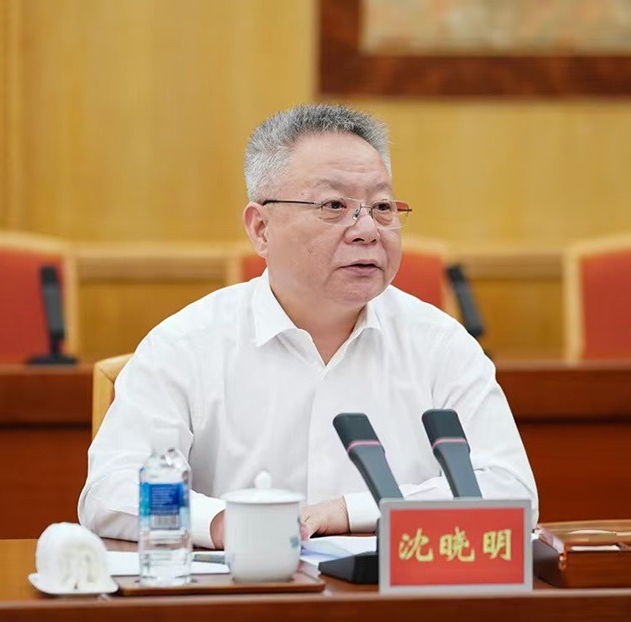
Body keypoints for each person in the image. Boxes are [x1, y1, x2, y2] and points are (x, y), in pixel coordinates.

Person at [78, 104, 538, 549]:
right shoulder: (185, 345)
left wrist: (350, 511)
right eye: (335, 205)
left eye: (382, 207)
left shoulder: (441, 345)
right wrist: (223, 524)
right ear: (261, 228)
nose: (367, 230)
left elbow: (511, 491)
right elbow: (110, 490)